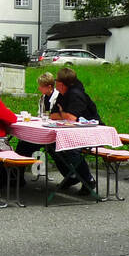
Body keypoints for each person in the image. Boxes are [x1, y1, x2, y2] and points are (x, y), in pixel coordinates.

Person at [48, 66, 99, 197]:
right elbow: (52, 115)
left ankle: (88, 180)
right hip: (72, 131)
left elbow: (71, 118)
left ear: (61, 83)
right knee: (51, 145)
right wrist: (62, 113)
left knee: (72, 149)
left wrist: (61, 113)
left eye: (56, 81)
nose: (55, 83)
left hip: (90, 132)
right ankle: (70, 176)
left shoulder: (76, 94)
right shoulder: (62, 94)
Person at [13, 72, 57, 159]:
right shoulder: (42, 98)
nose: (39, 88)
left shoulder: (58, 98)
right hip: (43, 130)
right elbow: (40, 115)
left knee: (27, 144)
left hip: (53, 133)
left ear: (49, 87)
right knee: (24, 142)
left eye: (41, 86)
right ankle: (17, 168)